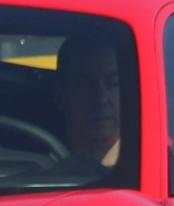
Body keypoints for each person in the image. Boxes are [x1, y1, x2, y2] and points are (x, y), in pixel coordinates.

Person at [50, 34, 125, 170]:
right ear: (60, 96)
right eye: (84, 84)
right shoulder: (39, 173)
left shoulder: (159, 162)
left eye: (113, 83)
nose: (101, 98)